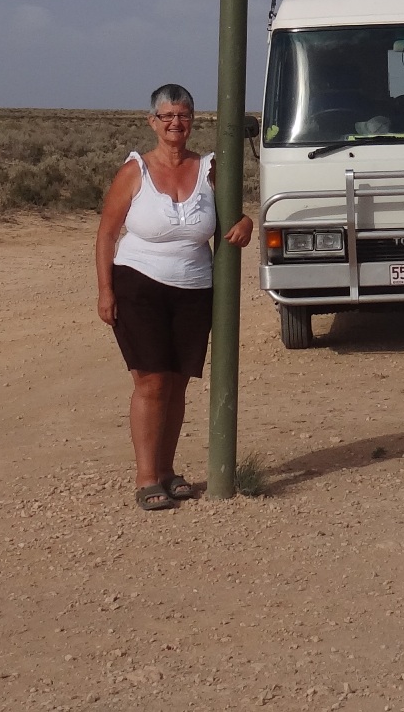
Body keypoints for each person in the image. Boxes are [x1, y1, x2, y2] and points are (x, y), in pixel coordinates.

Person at [94, 84, 253, 511]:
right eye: (167, 117)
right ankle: (146, 477)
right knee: (151, 380)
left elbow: (231, 217)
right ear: (153, 122)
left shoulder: (209, 169)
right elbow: (107, 233)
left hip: (194, 289)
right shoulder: (134, 172)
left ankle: (166, 470)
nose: (175, 124)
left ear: (192, 121)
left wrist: (246, 224)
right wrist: (105, 290)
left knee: (178, 382)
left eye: (183, 116)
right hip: (138, 284)